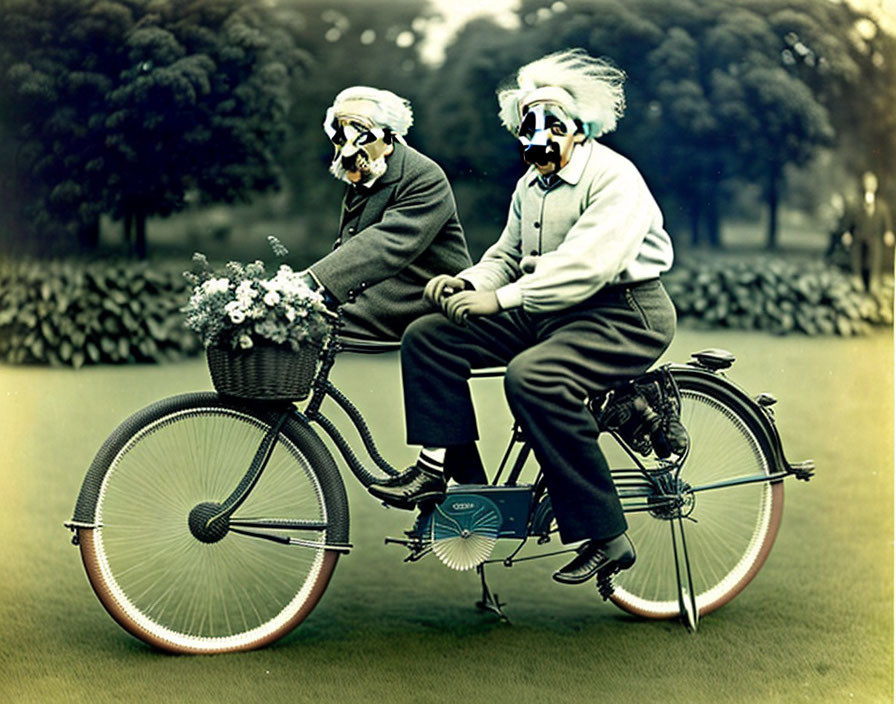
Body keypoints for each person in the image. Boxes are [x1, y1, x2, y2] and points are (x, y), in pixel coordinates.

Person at [369, 50, 677, 590]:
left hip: (622, 312)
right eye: (528, 128)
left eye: (552, 127)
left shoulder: (613, 178)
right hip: (550, 310)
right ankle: (456, 483)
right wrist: (470, 284)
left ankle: (607, 536)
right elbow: (506, 256)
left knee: (534, 378)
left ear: (580, 129)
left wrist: (501, 300)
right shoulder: (531, 187)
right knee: (429, 337)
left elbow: (588, 266)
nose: (539, 140)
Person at [301, 86, 474, 341]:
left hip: (420, 303)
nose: (347, 148)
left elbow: (384, 245)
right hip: (373, 297)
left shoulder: (423, 175)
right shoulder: (369, 175)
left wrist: (312, 282)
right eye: (340, 133)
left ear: (389, 136)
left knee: (296, 322)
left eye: (360, 132)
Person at [838, 171, 894, 294]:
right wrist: (846, 232)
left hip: (874, 237)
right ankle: (856, 278)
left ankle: (874, 280)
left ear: (876, 185)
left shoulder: (881, 205)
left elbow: (886, 221)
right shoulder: (856, 204)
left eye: (872, 183)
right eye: (867, 182)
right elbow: (849, 219)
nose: (870, 185)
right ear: (863, 184)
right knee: (856, 254)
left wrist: (889, 232)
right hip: (859, 236)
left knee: (876, 255)